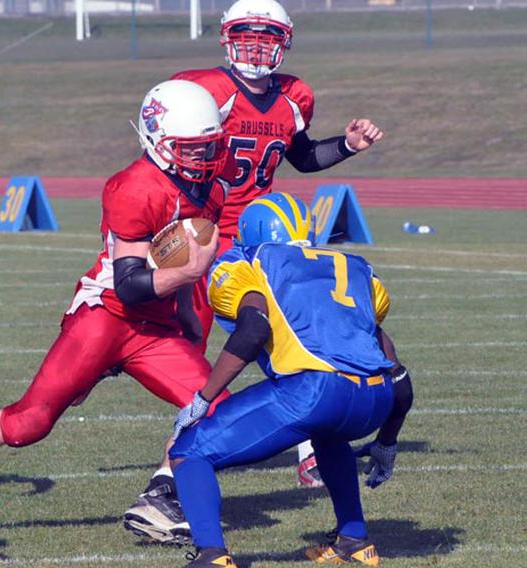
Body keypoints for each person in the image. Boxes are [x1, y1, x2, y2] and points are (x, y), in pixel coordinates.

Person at [0, 79, 230, 545]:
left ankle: (161, 495)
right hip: (106, 318)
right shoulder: (134, 187)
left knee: (217, 408)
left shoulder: (212, 190)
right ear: (156, 140)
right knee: (30, 422)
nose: (204, 161)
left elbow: (170, 265)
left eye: (209, 148)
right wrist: (188, 278)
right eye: (192, 150)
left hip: (156, 325)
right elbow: (129, 286)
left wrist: (186, 309)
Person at [172, 0, 384, 491]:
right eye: (247, 34)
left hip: (264, 242)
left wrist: (347, 146)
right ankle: (184, 441)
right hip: (204, 232)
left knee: (289, 341)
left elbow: (303, 157)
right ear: (225, 37)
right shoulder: (205, 90)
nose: (256, 45)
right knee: (189, 343)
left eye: (267, 36)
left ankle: (305, 445)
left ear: (284, 42)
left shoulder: (294, 95)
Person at [169, 193, 413, 567]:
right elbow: (393, 366)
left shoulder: (247, 260)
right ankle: (354, 540)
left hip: (317, 391)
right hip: (376, 396)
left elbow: (253, 329)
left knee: (190, 451)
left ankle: (212, 555)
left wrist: (203, 398)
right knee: (329, 435)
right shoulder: (354, 266)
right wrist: (388, 441)